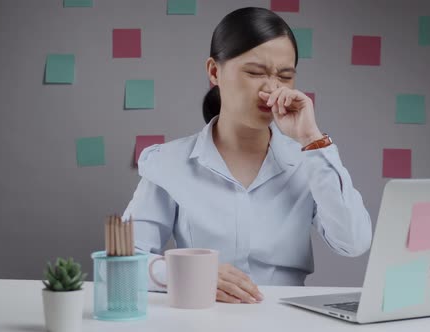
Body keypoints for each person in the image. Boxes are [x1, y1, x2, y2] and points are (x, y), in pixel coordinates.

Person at [123, 7, 372, 304]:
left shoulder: (308, 161)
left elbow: (354, 242)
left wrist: (311, 139)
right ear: (215, 72)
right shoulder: (170, 163)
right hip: (203, 320)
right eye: (255, 73)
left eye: (285, 76)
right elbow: (123, 262)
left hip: (285, 320)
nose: (272, 89)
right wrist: (190, 274)